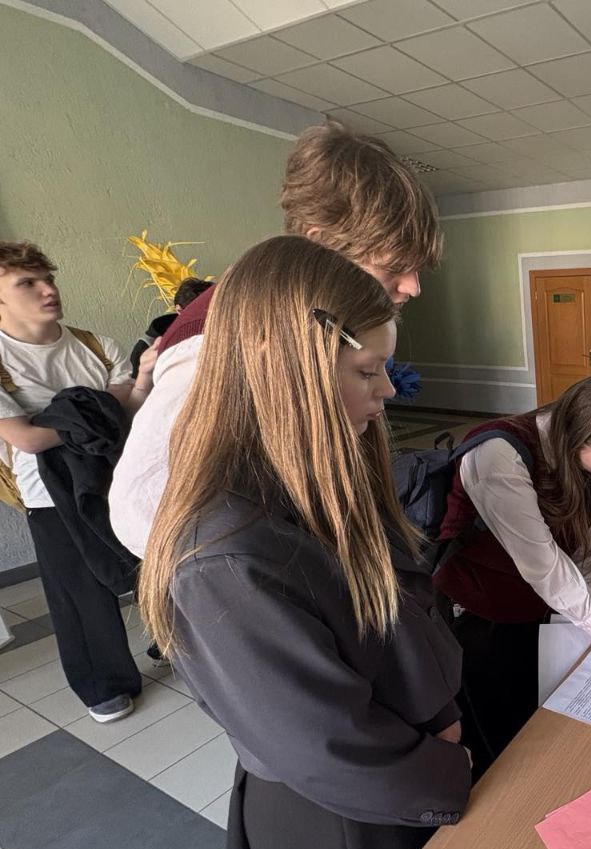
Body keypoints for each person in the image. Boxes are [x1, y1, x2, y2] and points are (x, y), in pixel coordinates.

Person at [138, 236, 469, 849]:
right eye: (367, 371)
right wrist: (446, 770)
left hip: (403, 767)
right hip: (349, 809)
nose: (388, 392)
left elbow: (401, 598)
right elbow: (325, 745)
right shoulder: (223, 555)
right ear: (278, 364)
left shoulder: (326, 469)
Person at [111, 120, 440, 558]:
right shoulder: (221, 340)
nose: (413, 287)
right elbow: (141, 511)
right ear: (320, 245)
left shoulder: (316, 329)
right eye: (394, 266)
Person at [433, 374, 591, 773]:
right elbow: (544, 563)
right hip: (481, 609)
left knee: (539, 715)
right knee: (502, 732)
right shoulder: (497, 454)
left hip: (531, 605)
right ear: (579, 437)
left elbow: (583, 549)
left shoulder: (576, 458)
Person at [0, 241, 152, 722]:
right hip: (50, 494)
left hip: (121, 474)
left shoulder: (95, 345)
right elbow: (25, 439)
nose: (48, 290)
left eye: (49, 278)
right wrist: (100, 409)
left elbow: (130, 411)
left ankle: (176, 641)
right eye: (27, 283)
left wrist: (67, 416)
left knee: (154, 561)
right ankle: (104, 686)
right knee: (79, 591)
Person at [127, 276, 213, 379]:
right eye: (199, 315)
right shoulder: (147, 348)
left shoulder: (221, 334)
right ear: (179, 310)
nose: (207, 321)